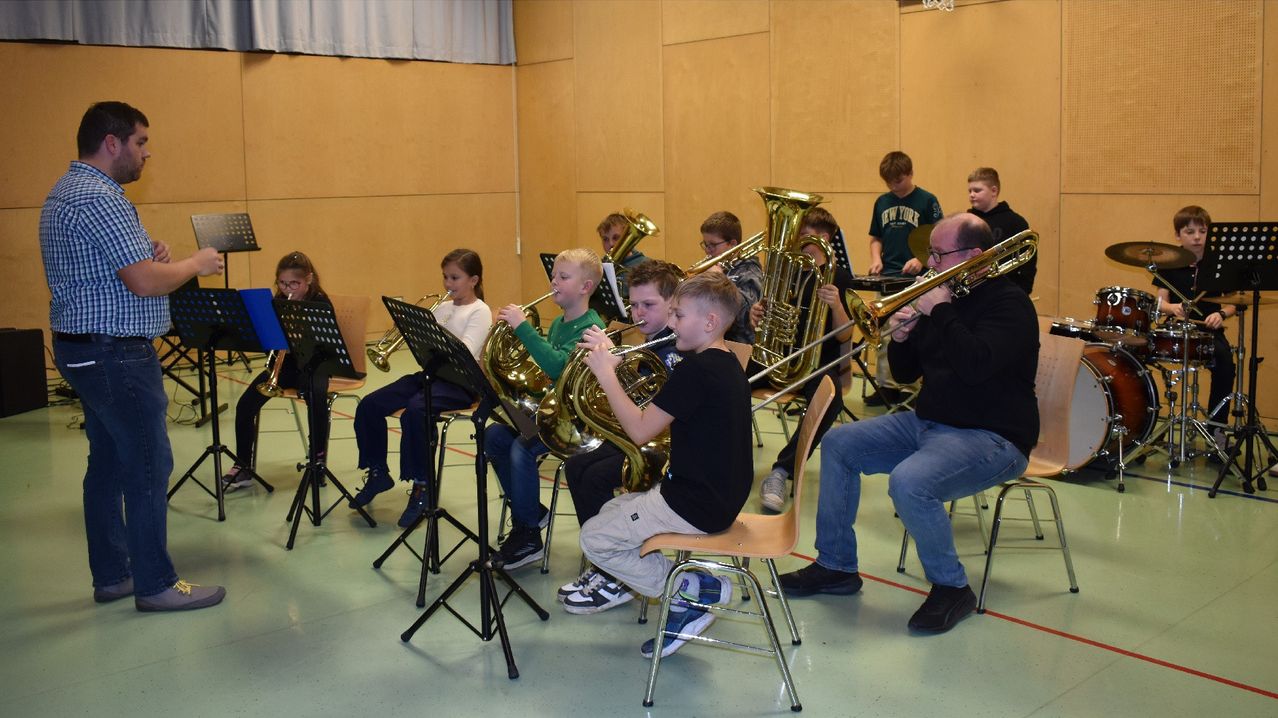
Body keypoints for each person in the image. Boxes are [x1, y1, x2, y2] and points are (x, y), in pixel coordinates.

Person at [778, 214, 1038, 634]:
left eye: (939, 254)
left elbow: (975, 365)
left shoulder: (1010, 304)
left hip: (994, 437)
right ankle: (837, 566)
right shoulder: (942, 297)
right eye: (930, 253)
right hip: (930, 423)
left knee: (909, 482)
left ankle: (952, 588)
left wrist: (943, 312)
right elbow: (904, 374)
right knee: (841, 442)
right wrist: (901, 338)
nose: (931, 263)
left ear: (974, 256)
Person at [41, 101, 227, 611]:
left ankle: (114, 574)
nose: (147, 153)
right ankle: (156, 584)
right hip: (114, 355)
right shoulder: (101, 198)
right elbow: (143, 282)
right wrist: (194, 263)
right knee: (148, 464)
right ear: (112, 143)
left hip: (83, 350)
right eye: (141, 142)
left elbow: (122, 270)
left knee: (105, 464)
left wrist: (153, 258)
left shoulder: (66, 192)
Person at [575, 272, 752, 657]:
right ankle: (685, 588)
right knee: (611, 508)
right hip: (716, 495)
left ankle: (689, 592)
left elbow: (639, 431)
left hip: (693, 502)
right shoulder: (724, 362)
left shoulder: (696, 369)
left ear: (709, 322)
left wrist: (606, 373)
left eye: (679, 315)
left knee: (593, 539)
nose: (671, 324)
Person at [557, 259, 685, 614]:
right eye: (634, 304)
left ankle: (619, 572)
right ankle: (608, 562)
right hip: (643, 436)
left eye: (649, 305)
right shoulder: (651, 341)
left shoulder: (675, 349)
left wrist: (611, 366)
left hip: (668, 448)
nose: (638, 313)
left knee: (598, 476)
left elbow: (658, 413)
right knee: (577, 466)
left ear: (673, 303)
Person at [348, 249, 493, 527]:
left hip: (462, 383)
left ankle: (422, 486)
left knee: (415, 412)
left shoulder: (480, 311)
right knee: (369, 404)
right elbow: (426, 348)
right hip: (432, 374)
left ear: (473, 280)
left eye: (455, 278)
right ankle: (378, 471)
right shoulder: (443, 307)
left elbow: (465, 351)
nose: (448, 284)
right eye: (445, 277)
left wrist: (435, 331)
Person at [489, 248, 606, 569]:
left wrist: (523, 329)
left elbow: (557, 367)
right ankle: (533, 513)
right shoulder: (558, 324)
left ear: (585, 287)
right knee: (494, 438)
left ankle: (527, 534)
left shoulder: (591, 328)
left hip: (576, 421)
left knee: (520, 450)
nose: (554, 281)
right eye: (554, 275)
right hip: (553, 412)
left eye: (563, 277)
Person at [755, 207, 857, 513]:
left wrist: (837, 305)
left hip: (815, 364)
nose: (796, 239)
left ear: (823, 238)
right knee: (726, 370)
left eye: (803, 234)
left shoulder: (839, 276)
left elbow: (845, 335)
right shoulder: (788, 271)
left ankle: (781, 471)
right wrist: (756, 314)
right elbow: (768, 318)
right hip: (777, 357)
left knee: (832, 399)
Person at [220, 252, 330, 491]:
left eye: (294, 284)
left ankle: (318, 461)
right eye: (282, 283)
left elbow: (326, 345)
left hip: (314, 366)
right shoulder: (277, 302)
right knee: (245, 405)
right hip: (285, 368)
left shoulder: (319, 303)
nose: (287, 288)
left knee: (317, 398)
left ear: (308, 279)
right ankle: (243, 465)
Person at [1152, 206, 1238, 444]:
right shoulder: (1169, 261)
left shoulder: (1220, 262)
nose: (1197, 237)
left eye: (1202, 231)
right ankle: (1146, 424)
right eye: (1190, 232)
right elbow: (1160, 301)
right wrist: (1172, 309)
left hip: (1209, 333)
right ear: (1178, 236)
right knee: (1140, 355)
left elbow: (1236, 301)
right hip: (1177, 330)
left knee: (1226, 366)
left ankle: (1216, 429)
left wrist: (1221, 313)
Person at [865, 151, 943, 407]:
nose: (892, 186)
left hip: (915, 280)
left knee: (910, 332)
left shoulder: (927, 200)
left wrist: (921, 259)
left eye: (897, 181)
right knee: (884, 334)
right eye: (888, 182)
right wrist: (876, 258)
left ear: (910, 174)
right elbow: (876, 237)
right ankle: (886, 386)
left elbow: (938, 238)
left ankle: (909, 389)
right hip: (888, 277)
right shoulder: (882, 202)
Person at [966, 167, 1034, 294]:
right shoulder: (966, 222)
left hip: (1004, 290)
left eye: (977, 190)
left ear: (994, 191)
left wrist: (1023, 291)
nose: (971, 194)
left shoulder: (1015, 222)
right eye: (969, 190)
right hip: (971, 290)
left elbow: (1028, 262)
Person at [700, 210, 763, 345]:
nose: (707, 250)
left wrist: (720, 282)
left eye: (713, 245)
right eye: (705, 244)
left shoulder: (750, 270)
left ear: (733, 244)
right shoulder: (718, 266)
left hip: (738, 348)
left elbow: (746, 318)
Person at [597, 212, 649, 300]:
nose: (611, 244)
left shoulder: (646, 265)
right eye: (605, 239)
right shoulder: (599, 267)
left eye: (616, 237)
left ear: (627, 236)